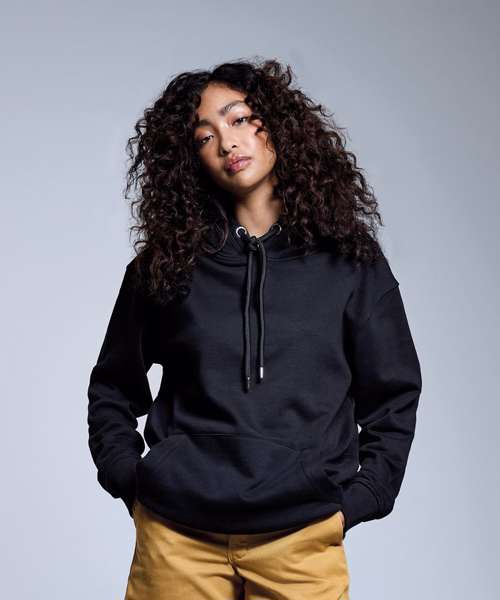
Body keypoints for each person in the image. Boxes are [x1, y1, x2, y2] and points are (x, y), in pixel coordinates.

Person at [87, 58, 422, 600]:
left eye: (239, 118)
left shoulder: (349, 262)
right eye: (204, 136)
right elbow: (111, 387)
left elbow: (394, 395)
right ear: (190, 159)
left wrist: (360, 500)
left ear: (279, 123)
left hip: (301, 537)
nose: (227, 143)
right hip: (177, 539)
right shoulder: (166, 266)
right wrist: (134, 481)